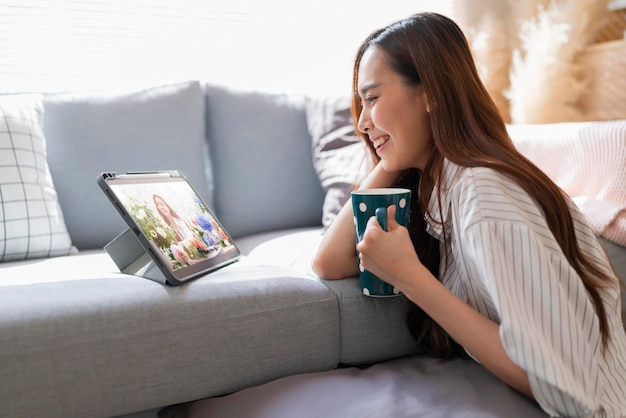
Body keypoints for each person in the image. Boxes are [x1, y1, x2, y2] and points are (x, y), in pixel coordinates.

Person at [312, 12, 626, 417]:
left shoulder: (483, 193)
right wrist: (390, 152)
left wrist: (411, 277)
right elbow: (328, 262)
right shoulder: (439, 186)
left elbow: (566, 387)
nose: (361, 121)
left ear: (431, 92)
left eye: (371, 98)